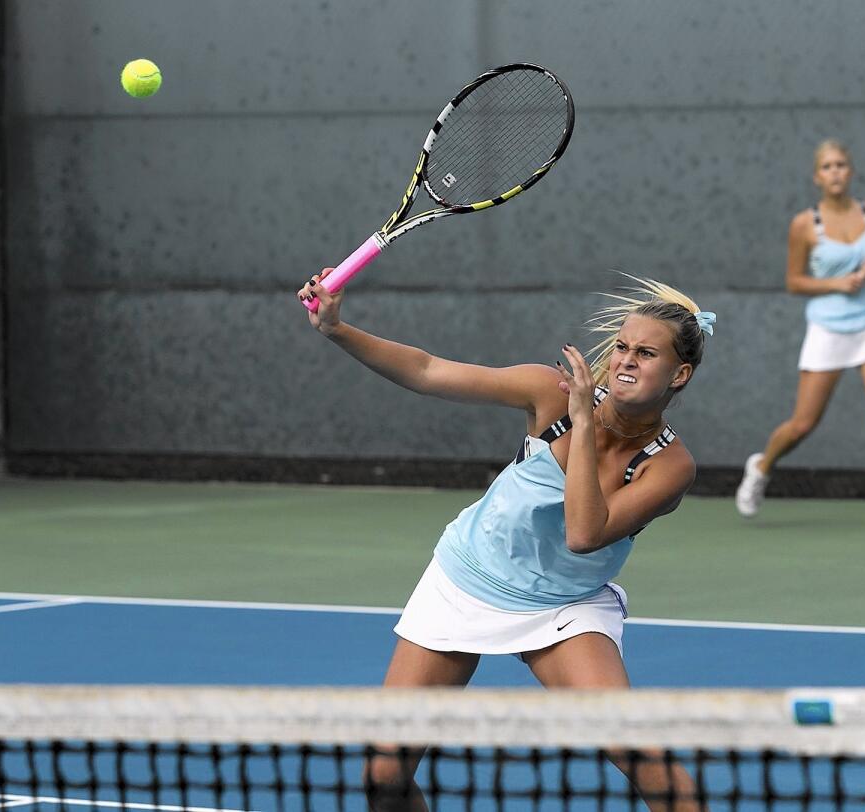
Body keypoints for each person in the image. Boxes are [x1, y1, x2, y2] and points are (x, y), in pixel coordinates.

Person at [298, 270, 714, 811]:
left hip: (563, 606)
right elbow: (428, 370)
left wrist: (584, 423)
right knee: (384, 775)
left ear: (679, 374)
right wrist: (337, 329)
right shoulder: (549, 391)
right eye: (622, 347)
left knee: (648, 763)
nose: (626, 360)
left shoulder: (669, 467)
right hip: (466, 579)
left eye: (647, 354)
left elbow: (584, 534)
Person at [735, 139, 865, 534]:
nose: (835, 172)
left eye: (841, 165)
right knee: (802, 424)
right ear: (817, 176)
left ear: (851, 172)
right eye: (827, 166)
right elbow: (794, 281)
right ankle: (762, 466)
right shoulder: (804, 225)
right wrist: (838, 283)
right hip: (828, 327)